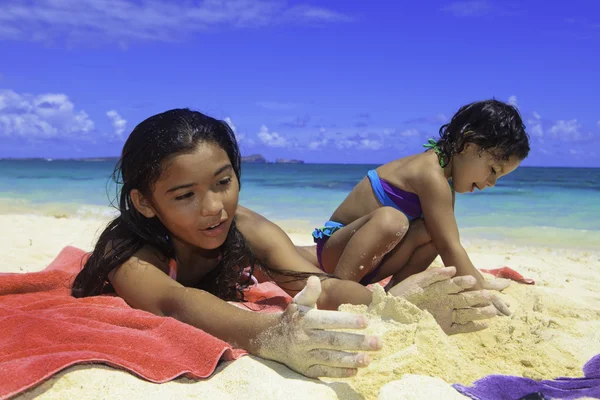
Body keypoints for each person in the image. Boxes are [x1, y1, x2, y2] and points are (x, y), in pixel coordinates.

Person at [72, 108, 510, 379]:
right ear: (144, 203)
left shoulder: (244, 226)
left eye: (223, 182)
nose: (213, 208)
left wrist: (392, 304)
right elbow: (175, 303)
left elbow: (319, 285)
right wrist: (274, 335)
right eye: (185, 195)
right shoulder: (127, 254)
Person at [310, 99, 530, 291]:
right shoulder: (430, 173)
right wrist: (478, 286)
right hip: (337, 252)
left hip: (370, 262)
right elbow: (450, 248)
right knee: (391, 220)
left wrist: (477, 278)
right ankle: (338, 288)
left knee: (432, 232)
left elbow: (447, 241)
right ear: (468, 147)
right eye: (493, 170)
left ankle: (395, 291)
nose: (491, 183)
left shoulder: (445, 180)